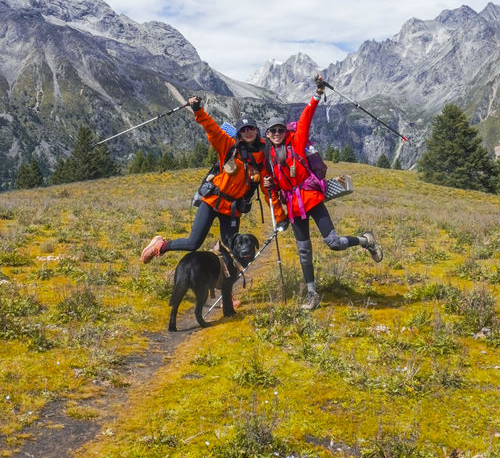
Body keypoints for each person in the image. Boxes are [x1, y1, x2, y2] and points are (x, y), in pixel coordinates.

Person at [263, 76, 383, 310]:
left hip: (311, 199)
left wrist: (317, 93)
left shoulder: (295, 143)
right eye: (272, 131)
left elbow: (305, 118)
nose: (277, 133)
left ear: (283, 131)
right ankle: (312, 295)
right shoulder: (270, 157)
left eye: (279, 129)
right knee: (303, 251)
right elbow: (278, 186)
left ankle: (365, 240)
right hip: (294, 208)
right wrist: (270, 185)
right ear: (267, 134)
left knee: (334, 243)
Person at [141, 96, 280, 263]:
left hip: (233, 209)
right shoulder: (229, 146)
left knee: (235, 247)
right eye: (243, 130)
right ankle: (160, 246)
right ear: (239, 134)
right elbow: (212, 129)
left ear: (257, 130)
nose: (248, 131)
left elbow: (267, 189)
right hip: (213, 200)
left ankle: (225, 281)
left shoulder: (263, 156)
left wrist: (279, 216)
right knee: (193, 243)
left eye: (251, 128)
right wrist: (198, 110)